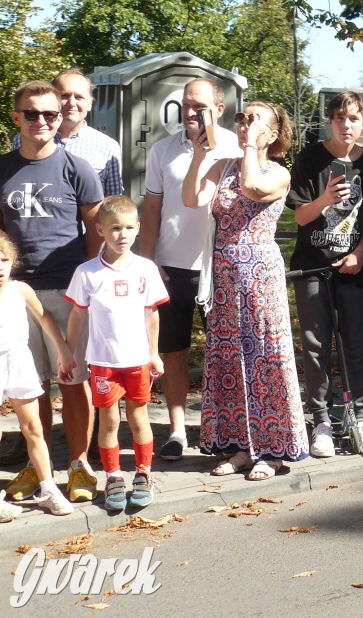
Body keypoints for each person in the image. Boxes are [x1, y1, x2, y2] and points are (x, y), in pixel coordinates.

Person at [184, 100, 308, 479]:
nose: (243, 125)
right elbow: (192, 199)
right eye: (241, 118)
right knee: (229, 357)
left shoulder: (278, 173)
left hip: (260, 275)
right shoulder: (224, 167)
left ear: (272, 134)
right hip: (224, 276)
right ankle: (239, 447)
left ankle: (272, 451)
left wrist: (252, 147)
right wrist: (199, 156)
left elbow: (254, 188)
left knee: (265, 357)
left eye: (254, 121)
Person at [0, 80, 103, 503]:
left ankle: (79, 464)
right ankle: (36, 465)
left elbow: (96, 231)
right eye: (31, 113)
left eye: (50, 114)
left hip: (68, 288)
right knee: (30, 385)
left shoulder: (77, 168)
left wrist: (90, 286)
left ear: (60, 118)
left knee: (74, 379)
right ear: (16, 117)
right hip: (18, 293)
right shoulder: (2, 168)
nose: (41, 121)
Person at [140, 77, 241, 462]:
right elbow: (151, 209)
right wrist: (148, 263)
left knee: (225, 353)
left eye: (198, 105)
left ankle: (224, 430)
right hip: (171, 269)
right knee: (173, 352)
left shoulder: (236, 146)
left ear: (217, 110)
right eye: (185, 104)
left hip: (222, 268)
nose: (189, 112)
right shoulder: (163, 150)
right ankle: (178, 431)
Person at [287, 91, 363, 457]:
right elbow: (299, 216)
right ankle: (322, 420)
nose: (347, 125)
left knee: (354, 343)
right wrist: (325, 199)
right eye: (340, 118)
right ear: (330, 120)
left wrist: (360, 252)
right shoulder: (311, 158)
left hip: (352, 268)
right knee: (315, 346)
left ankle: (358, 415)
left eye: (354, 119)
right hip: (312, 265)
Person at [65, 195, 169, 511]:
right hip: (103, 363)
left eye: (127, 228)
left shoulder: (146, 269)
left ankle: (144, 473)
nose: (121, 235)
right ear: (100, 230)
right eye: (114, 229)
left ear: (137, 228)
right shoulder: (87, 272)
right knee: (109, 420)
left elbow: (152, 314)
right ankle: (112, 476)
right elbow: (78, 315)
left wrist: (154, 353)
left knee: (139, 417)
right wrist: (68, 352)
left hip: (137, 360)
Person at [0, 232, 75, 520]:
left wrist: (63, 350)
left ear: (13, 261)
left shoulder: (21, 290)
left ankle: (48, 490)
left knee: (33, 428)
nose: (0, 267)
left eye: (4, 260)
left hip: (18, 360)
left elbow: (45, 318)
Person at [11, 69, 123, 196]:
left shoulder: (108, 147)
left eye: (79, 97)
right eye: (64, 96)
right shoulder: (24, 139)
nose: (72, 103)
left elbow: (113, 202)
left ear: (90, 104)